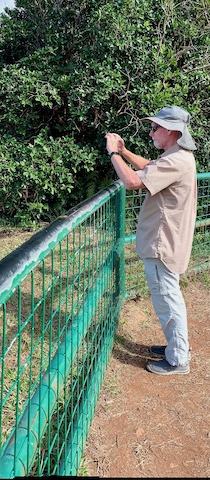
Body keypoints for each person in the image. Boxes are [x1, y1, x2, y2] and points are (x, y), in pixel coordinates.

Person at [105, 105, 197, 375]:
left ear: (170, 130)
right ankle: (175, 347)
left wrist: (113, 153)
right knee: (170, 297)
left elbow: (133, 181)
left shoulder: (176, 160)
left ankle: (178, 359)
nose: (151, 131)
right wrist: (123, 152)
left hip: (162, 244)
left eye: (155, 127)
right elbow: (148, 167)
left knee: (167, 299)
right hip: (168, 241)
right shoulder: (178, 156)